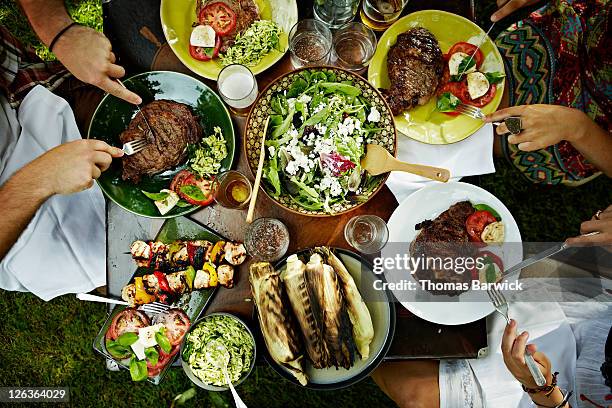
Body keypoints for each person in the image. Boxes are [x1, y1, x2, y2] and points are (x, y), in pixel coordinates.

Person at [0, 1, 132, 298]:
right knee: (132, 270)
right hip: (19, 233)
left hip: (26, 90)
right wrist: (41, 178)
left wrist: (60, 31)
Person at [485, 0, 611, 185]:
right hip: (581, 27)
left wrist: (577, 128)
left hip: (594, 125)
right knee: (487, 77)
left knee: (501, 133)